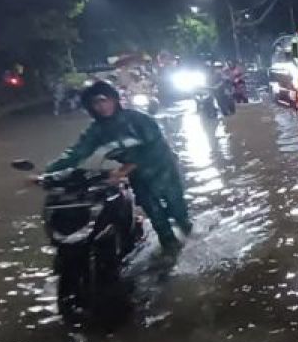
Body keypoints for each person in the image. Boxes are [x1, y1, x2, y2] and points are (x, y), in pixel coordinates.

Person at [45, 80, 191, 254]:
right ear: (90, 107)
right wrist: (47, 173)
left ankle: (191, 240)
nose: (101, 106)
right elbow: (76, 153)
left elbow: (154, 148)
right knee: (155, 216)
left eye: (103, 100)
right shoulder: (96, 131)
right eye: (95, 103)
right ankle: (170, 251)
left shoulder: (138, 119)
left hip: (164, 171)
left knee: (178, 210)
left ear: (114, 99)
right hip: (138, 177)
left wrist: (123, 170)